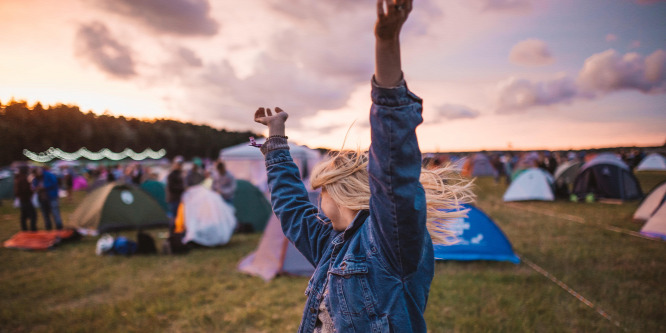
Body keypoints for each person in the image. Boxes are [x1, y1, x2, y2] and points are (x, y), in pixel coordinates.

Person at [252, 1, 474, 331]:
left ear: (335, 190)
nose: (315, 200)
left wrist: (386, 47)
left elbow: (393, 168)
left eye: (319, 190)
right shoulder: (331, 243)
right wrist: (276, 141)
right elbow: (290, 207)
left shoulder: (388, 242)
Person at [14, 166, 37, 231]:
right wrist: (31, 191)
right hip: (26, 199)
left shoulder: (18, 178)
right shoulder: (23, 179)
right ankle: (33, 229)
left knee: (24, 216)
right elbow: (25, 189)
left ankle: (24, 230)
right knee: (33, 215)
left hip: (22, 199)